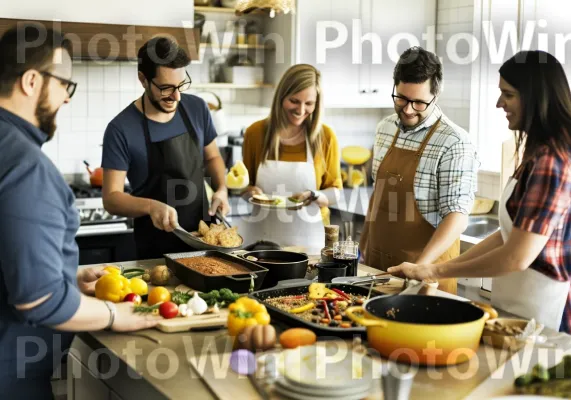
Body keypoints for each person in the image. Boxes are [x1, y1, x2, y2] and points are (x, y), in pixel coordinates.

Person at [388, 50, 571, 339]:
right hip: (526, 301)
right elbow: (508, 234)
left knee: (542, 383)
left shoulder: (554, 161)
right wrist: (433, 268)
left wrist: (435, 272)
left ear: (536, 98)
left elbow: (516, 257)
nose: (499, 103)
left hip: (552, 309)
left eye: (508, 94)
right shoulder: (543, 151)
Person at [0, 26, 161, 398]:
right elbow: (36, 300)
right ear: (30, 81)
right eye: (64, 85)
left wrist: (65, 277)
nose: (67, 99)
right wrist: (116, 316)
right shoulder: (26, 167)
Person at [359, 47, 479, 294]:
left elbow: (456, 216)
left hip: (425, 280)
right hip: (375, 269)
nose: (409, 109)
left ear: (436, 95)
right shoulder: (384, 129)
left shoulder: (455, 142)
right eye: (401, 98)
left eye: (419, 102)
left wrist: (420, 267)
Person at [102, 37, 230, 259]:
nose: (176, 96)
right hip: (155, 254)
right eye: (166, 88)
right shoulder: (120, 128)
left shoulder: (197, 108)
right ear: (143, 79)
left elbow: (212, 158)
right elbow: (111, 198)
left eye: (181, 85)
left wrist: (222, 189)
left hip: (206, 248)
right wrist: (151, 207)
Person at [241, 64, 343, 253]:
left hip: (311, 243)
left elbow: (336, 192)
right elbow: (244, 188)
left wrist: (313, 195)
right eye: (294, 101)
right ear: (281, 97)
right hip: (262, 243)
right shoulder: (255, 133)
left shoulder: (326, 137)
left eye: (309, 104)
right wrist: (250, 192)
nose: (301, 110)